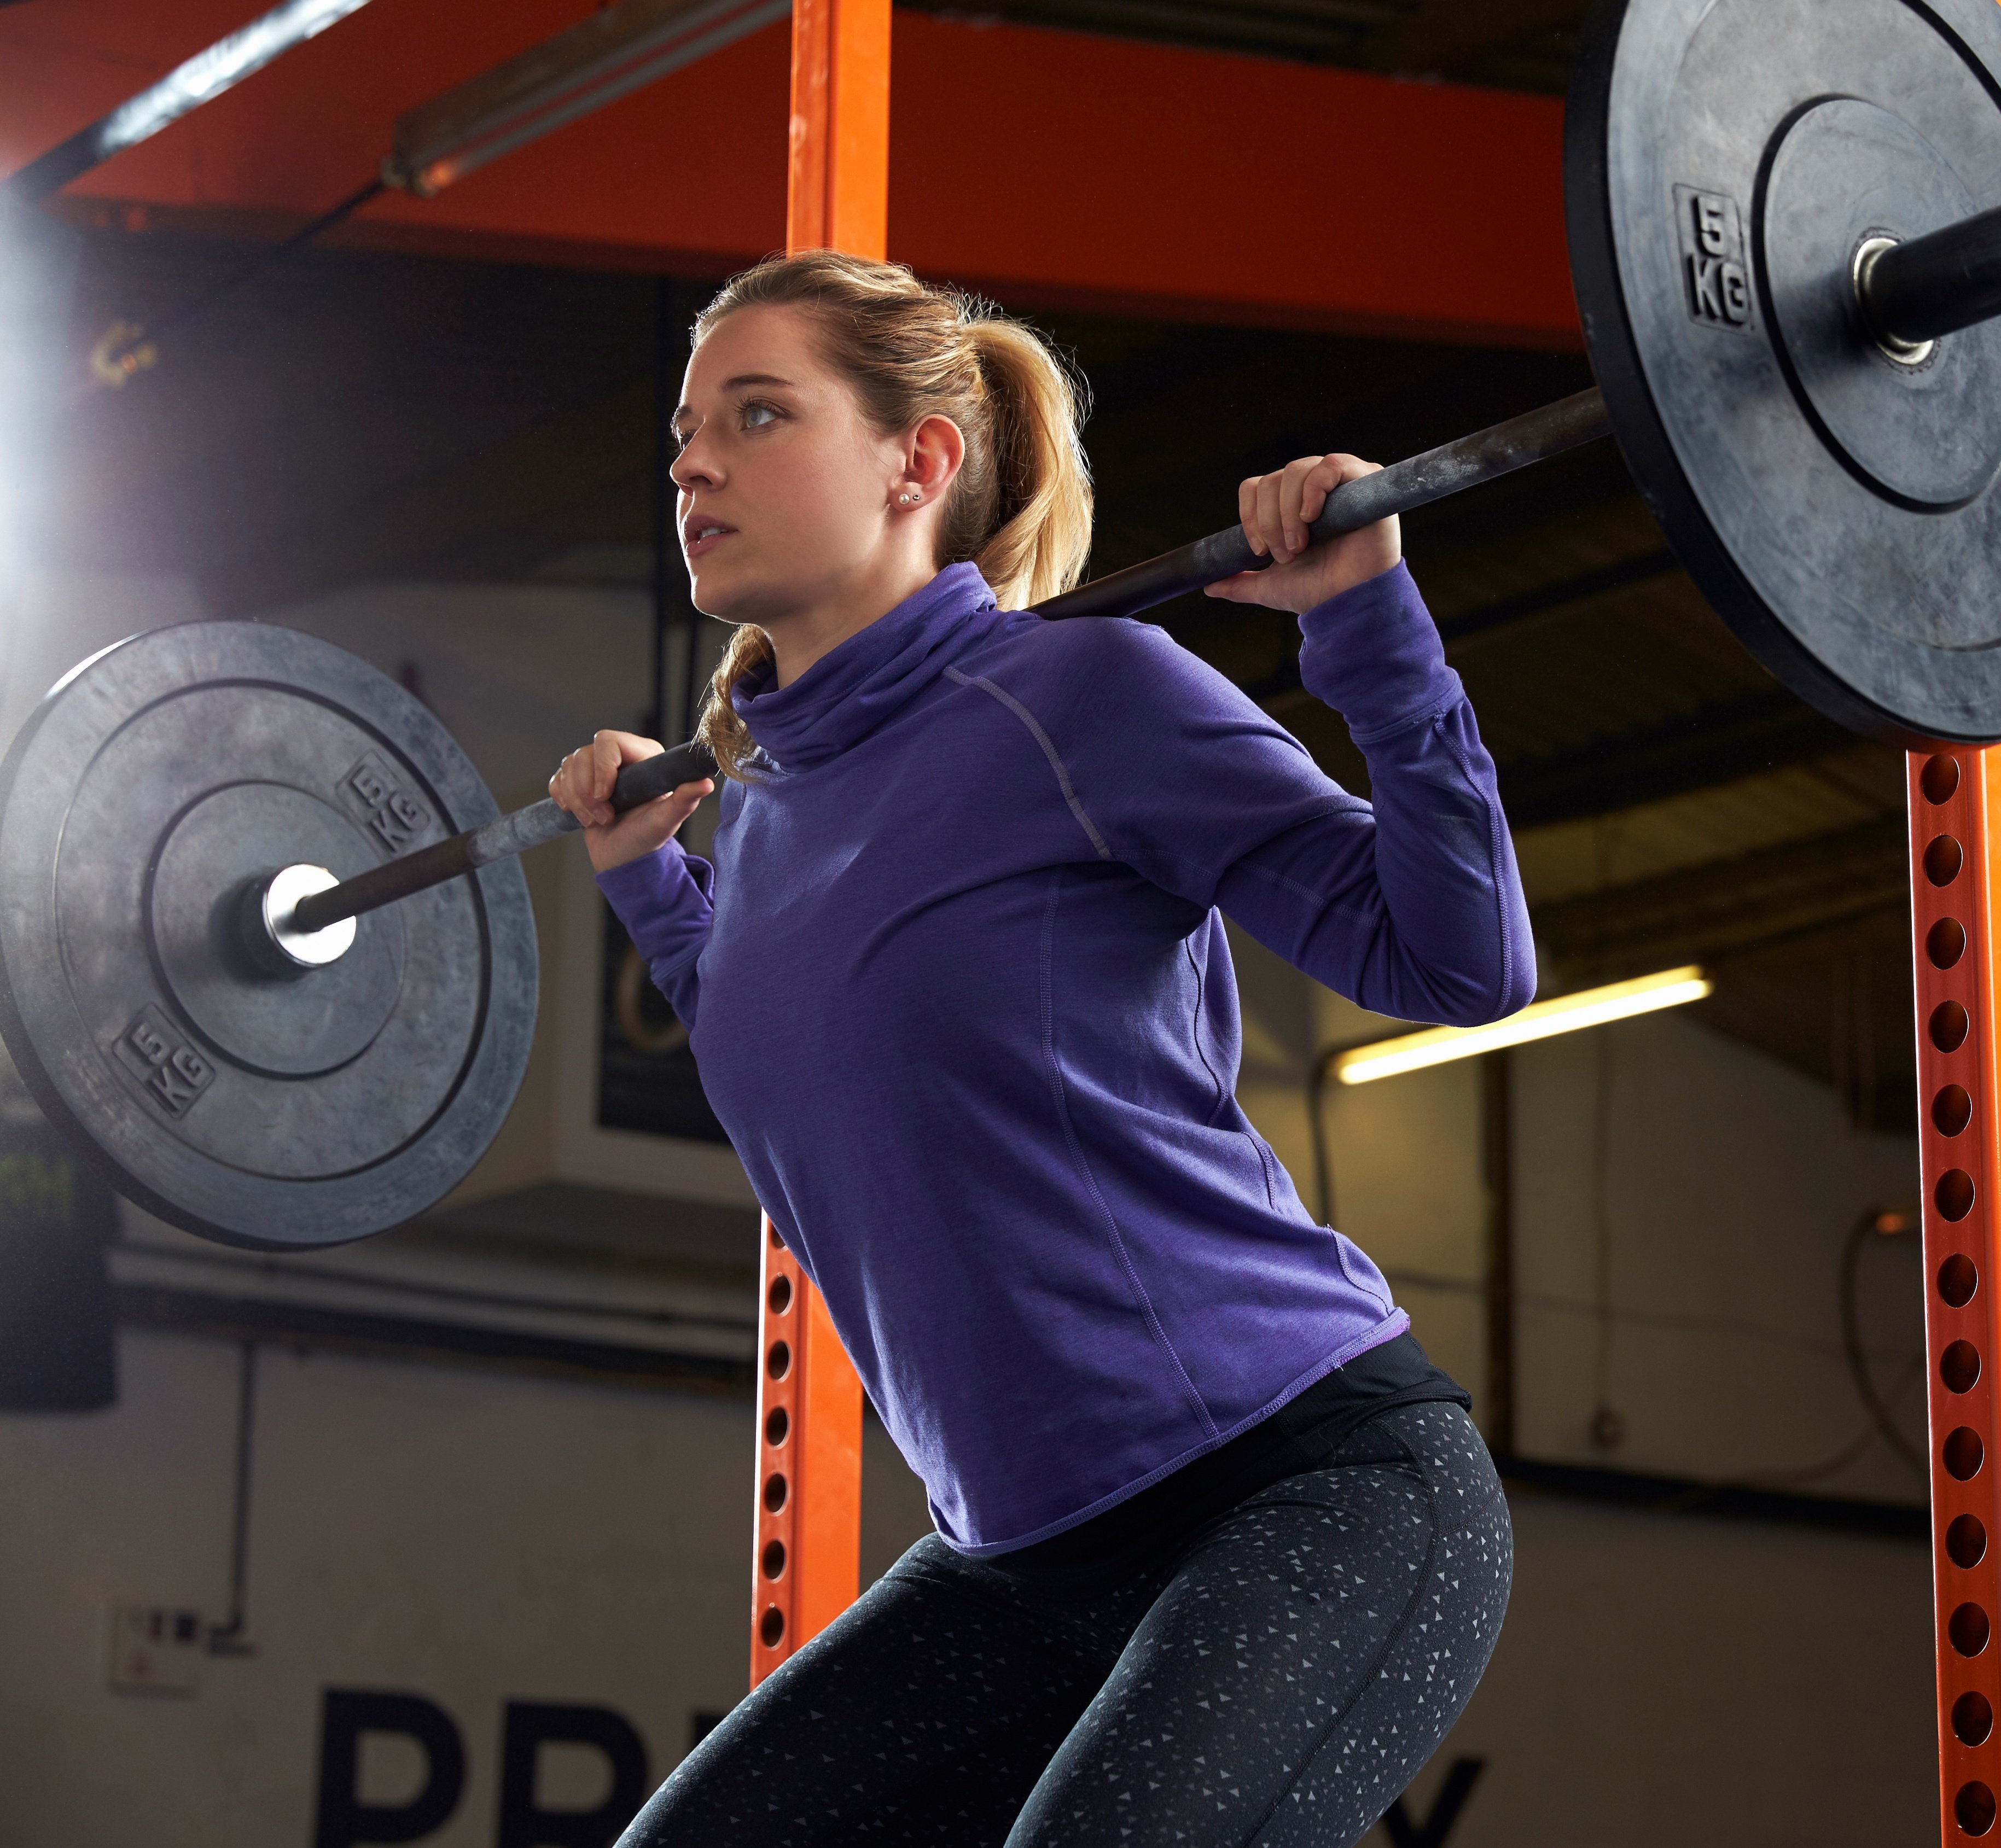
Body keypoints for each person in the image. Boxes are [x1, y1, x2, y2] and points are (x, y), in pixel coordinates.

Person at [550, 250, 1533, 1846]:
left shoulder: (1079, 698)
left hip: (1300, 1489)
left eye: (756, 414)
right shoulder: (775, 811)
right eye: (682, 431)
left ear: (916, 463)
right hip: (1015, 1560)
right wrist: (642, 875)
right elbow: (789, 1038)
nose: (694, 461)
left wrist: (1369, 631)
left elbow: (1462, 959)